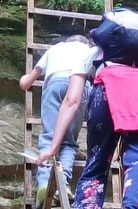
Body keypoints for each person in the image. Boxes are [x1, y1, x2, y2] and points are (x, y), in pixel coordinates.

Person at [35, 8, 138, 209]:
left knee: (97, 162)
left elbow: (72, 101)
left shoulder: (93, 53)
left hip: (111, 88)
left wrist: (54, 146)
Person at [19, 33, 99, 199]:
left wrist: (23, 78)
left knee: (49, 136)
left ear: (66, 41)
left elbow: (26, 83)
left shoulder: (54, 49)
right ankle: (62, 184)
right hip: (79, 88)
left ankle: (43, 183)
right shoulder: (90, 51)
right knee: (68, 142)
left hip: (55, 85)